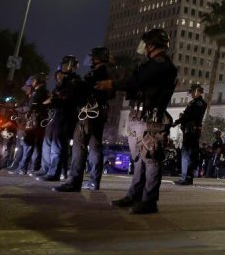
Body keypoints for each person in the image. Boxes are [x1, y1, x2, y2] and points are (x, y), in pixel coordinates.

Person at [97, 28, 177, 214]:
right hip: (140, 116)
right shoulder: (152, 64)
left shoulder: (161, 64)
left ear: (152, 45)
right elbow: (135, 82)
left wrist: (113, 84)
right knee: (139, 159)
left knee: (150, 159)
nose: (144, 47)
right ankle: (134, 195)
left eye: (147, 44)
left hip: (151, 119)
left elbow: (137, 80)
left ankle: (149, 201)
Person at [54, 47, 114, 192]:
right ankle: (94, 181)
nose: (90, 59)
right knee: (95, 147)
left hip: (89, 113)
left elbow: (81, 90)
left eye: (92, 56)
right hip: (99, 113)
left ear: (97, 57)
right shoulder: (107, 72)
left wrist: (69, 83)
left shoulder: (96, 73)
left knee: (79, 146)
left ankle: (74, 181)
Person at [37, 56, 82, 182]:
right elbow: (54, 96)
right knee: (47, 142)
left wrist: (57, 94)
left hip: (65, 115)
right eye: (62, 65)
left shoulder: (74, 80)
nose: (62, 67)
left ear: (72, 66)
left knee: (57, 145)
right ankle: (45, 169)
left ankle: (54, 173)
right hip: (55, 115)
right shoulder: (61, 80)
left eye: (65, 65)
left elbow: (65, 97)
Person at [172, 83, 207, 186]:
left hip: (191, 130)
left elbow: (189, 116)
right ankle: (187, 177)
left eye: (192, 92)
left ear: (196, 91)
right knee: (189, 154)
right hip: (190, 130)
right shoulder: (195, 102)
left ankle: (186, 177)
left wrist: (177, 122)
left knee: (187, 154)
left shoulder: (198, 103)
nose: (191, 94)